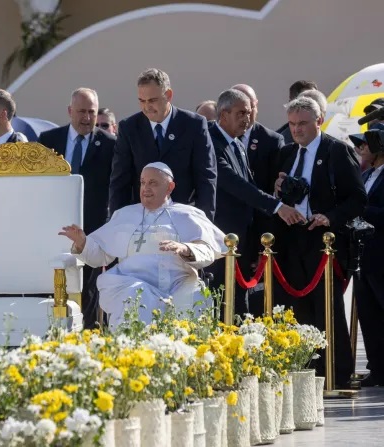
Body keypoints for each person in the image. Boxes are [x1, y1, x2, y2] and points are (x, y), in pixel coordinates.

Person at [60, 162, 225, 327]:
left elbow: (208, 250)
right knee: (137, 295)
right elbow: (100, 257)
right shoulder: (125, 215)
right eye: (143, 182)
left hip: (178, 284)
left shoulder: (188, 214)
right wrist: (83, 242)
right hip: (131, 283)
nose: (146, 188)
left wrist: (186, 248)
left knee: (193, 299)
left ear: (169, 187)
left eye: (153, 183)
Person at [273, 96, 366, 387]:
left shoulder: (336, 151)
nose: (297, 130)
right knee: (297, 310)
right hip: (292, 239)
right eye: (292, 124)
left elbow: (357, 198)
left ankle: (336, 377)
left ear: (318, 121)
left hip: (323, 242)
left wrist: (330, 217)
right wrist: (277, 191)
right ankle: (305, 375)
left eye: (302, 123)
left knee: (328, 309)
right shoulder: (286, 154)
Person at [207, 89, 304, 315]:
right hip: (221, 240)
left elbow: (253, 189)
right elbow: (236, 186)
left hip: (244, 240)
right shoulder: (211, 142)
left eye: (249, 112)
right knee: (222, 306)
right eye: (241, 113)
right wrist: (278, 207)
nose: (247, 118)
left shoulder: (237, 143)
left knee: (241, 305)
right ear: (223, 114)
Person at [39, 88, 116, 328]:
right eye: (81, 111)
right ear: (70, 111)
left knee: (88, 292)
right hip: (54, 228)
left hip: (92, 231)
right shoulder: (48, 140)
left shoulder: (111, 145)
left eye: (91, 112)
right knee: (53, 288)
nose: (86, 117)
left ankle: (87, 340)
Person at [109, 68, 217, 220]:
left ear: (168, 95)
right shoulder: (129, 128)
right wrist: (117, 223)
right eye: (142, 101)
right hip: (141, 219)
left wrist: (204, 223)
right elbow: (120, 182)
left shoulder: (194, 125)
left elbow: (206, 179)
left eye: (152, 100)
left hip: (184, 217)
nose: (147, 107)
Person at [348, 124, 384, 386]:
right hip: (363, 257)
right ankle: (379, 369)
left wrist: (362, 210)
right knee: (369, 318)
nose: (360, 148)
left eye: (366, 143)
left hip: (381, 255)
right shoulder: (368, 174)